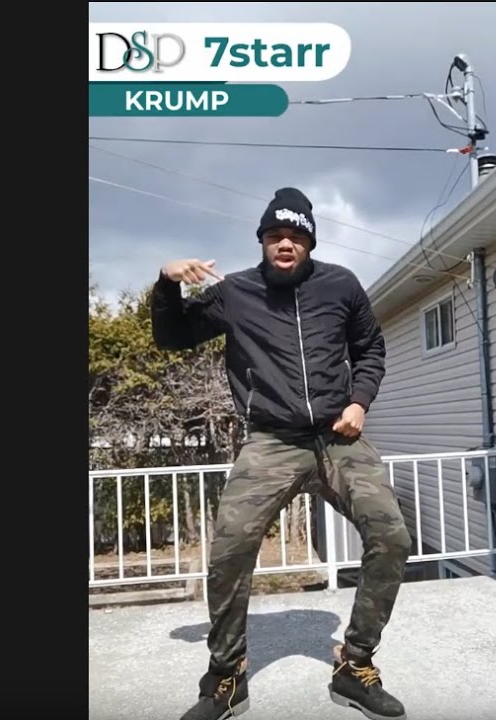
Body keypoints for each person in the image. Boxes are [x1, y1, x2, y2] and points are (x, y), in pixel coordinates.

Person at [152, 187, 412, 720]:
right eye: (275, 235)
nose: (285, 243)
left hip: (338, 437)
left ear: (310, 241)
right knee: (230, 549)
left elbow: (370, 350)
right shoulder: (235, 292)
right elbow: (172, 337)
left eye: (295, 235)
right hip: (271, 440)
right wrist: (166, 283)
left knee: (392, 537)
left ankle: (356, 665)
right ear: (263, 241)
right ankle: (226, 677)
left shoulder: (342, 285)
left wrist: (359, 402)